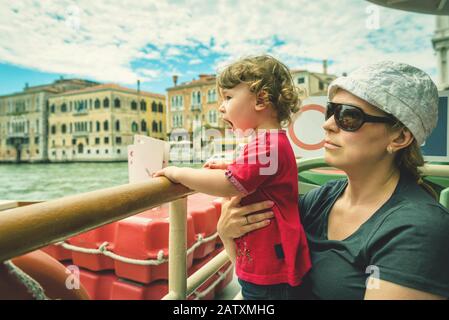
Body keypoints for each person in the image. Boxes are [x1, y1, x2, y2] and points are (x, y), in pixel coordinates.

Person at [217, 61, 449, 300]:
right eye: (331, 111)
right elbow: (266, 284)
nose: (327, 125)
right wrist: (226, 233)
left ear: (400, 136)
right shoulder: (320, 200)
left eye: (348, 116)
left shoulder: (419, 230)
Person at [154, 55, 311, 300]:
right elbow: (260, 173)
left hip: (270, 271)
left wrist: (178, 173)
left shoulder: (267, 144)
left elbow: (229, 183)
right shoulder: (271, 141)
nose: (220, 106)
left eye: (228, 97)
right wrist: (231, 164)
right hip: (269, 262)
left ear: (261, 100)